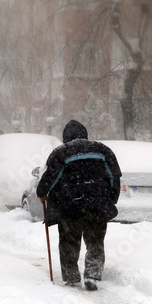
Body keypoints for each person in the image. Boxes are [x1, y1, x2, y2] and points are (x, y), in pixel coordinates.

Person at [36, 120, 122, 291]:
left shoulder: (61, 152)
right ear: (85, 134)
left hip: (70, 206)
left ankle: (71, 277)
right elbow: (114, 177)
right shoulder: (103, 150)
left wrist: (41, 192)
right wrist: (110, 199)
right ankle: (92, 275)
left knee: (69, 241)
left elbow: (50, 177)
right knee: (95, 241)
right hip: (97, 205)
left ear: (65, 137)